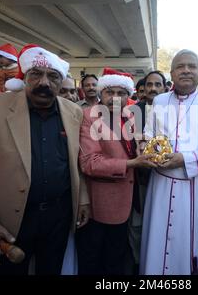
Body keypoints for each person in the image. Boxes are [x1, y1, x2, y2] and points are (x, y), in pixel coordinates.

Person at [0, 44, 90, 275]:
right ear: (24, 77)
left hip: (59, 216)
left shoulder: (74, 112)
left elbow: (77, 162)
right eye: (36, 74)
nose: (44, 82)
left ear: (61, 80)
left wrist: (82, 199)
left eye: (53, 76)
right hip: (9, 218)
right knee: (4, 272)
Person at [140, 50, 198, 275]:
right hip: (161, 186)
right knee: (159, 239)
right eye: (180, 66)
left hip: (197, 187)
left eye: (192, 66)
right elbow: (148, 133)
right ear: (172, 73)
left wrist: (185, 159)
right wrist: (145, 147)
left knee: (192, 244)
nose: (186, 70)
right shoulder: (160, 101)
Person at [76, 68, 156, 275]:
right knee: (94, 257)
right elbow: (89, 162)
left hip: (131, 198)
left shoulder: (130, 114)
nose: (115, 98)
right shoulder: (89, 117)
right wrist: (131, 164)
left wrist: (143, 147)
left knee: (117, 255)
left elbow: (136, 142)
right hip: (103, 202)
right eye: (109, 92)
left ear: (128, 96)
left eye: (121, 93)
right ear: (101, 94)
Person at [127, 70, 167, 274]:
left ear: (165, 87)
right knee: (137, 223)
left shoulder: (175, 110)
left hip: (167, 177)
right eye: (149, 84)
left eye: (157, 84)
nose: (153, 88)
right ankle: (137, 262)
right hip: (138, 177)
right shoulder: (132, 111)